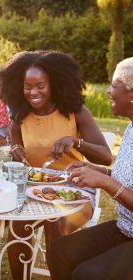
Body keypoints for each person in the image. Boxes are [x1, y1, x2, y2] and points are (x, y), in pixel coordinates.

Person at [0, 50, 113, 280]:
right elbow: (17, 156)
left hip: (76, 191)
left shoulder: (76, 113)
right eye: (27, 86)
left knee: (56, 222)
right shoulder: (19, 117)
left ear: (54, 83)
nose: (33, 92)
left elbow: (106, 157)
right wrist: (15, 151)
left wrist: (76, 142)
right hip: (34, 191)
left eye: (40, 85)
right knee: (17, 227)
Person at [47, 57, 133, 280]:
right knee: (60, 252)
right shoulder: (131, 127)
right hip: (125, 228)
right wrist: (94, 170)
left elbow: (116, 185)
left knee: (88, 274)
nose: (108, 90)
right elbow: (126, 178)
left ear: (131, 95)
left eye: (114, 85)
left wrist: (104, 182)